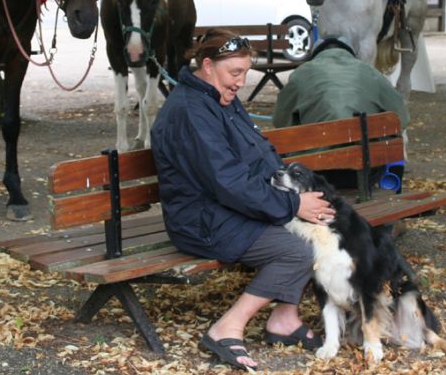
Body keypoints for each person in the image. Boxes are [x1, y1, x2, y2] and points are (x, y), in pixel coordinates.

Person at [151, 28, 335, 370]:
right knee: (298, 249)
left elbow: (259, 155)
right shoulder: (191, 111)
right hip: (202, 221)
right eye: (234, 73)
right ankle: (226, 328)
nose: (240, 83)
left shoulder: (218, 98)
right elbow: (227, 181)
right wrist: (292, 206)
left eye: (245, 74)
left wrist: (293, 196)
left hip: (227, 209)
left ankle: (284, 319)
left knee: (318, 229)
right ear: (207, 66)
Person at [273, 35, 410, 189]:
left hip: (316, 173)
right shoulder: (369, 71)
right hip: (366, 172)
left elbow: (280, 122)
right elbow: (401, 118)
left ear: (315, 54)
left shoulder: (301, 73)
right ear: (350, 53)